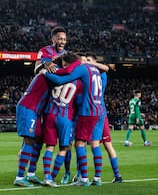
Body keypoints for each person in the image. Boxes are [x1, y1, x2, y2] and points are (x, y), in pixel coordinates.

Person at [43, 51, 106, 187]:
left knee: (79, 144)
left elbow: (61, 79)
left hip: (88, 110)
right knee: (93, 144)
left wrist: (46, 72)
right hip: (99, 110)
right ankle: (96, 177)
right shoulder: (94, 69)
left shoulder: (81, 69)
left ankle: (83, 178)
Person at [41, 52, 82, 187]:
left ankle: (47, 176)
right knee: (64, 148)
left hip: (50, 114)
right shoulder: (78, 81)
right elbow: (80, 101)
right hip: (65, 117)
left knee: (50, 146)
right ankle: (53, 177)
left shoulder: (55, 74)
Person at [84, 52, 122, 184]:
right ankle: (117, 176)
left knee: (95, 144)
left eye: (89, 60)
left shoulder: (99, 74)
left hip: (95, 113)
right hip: (101, 112)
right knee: (105, 145)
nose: (87, 62)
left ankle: (97, 177)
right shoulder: (100, 73)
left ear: (94, 61)